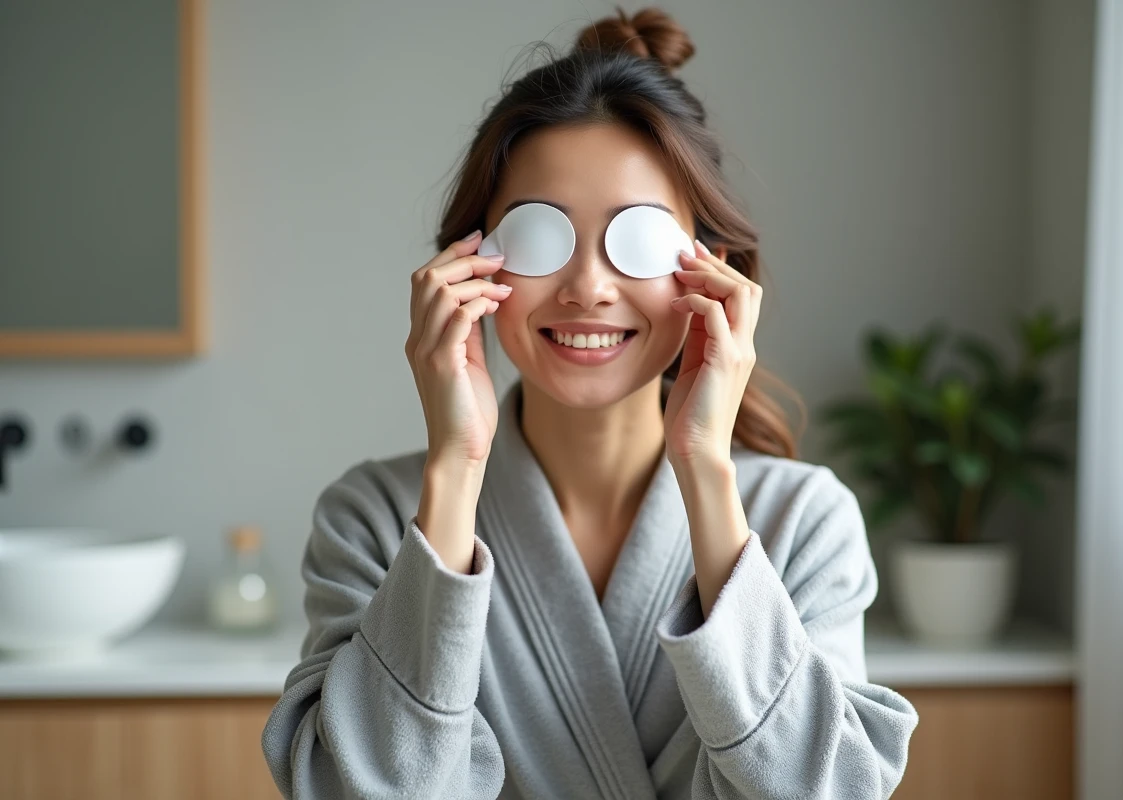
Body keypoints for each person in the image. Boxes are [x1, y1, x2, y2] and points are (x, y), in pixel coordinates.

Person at [261, 7, 919, 799]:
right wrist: (455, 469)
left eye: (635, 239)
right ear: (470, 267)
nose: (587, 288)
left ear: (711, 274)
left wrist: (707, 472)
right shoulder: (373, 517)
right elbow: (349, 789)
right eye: (540, 236)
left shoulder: (803, 520)